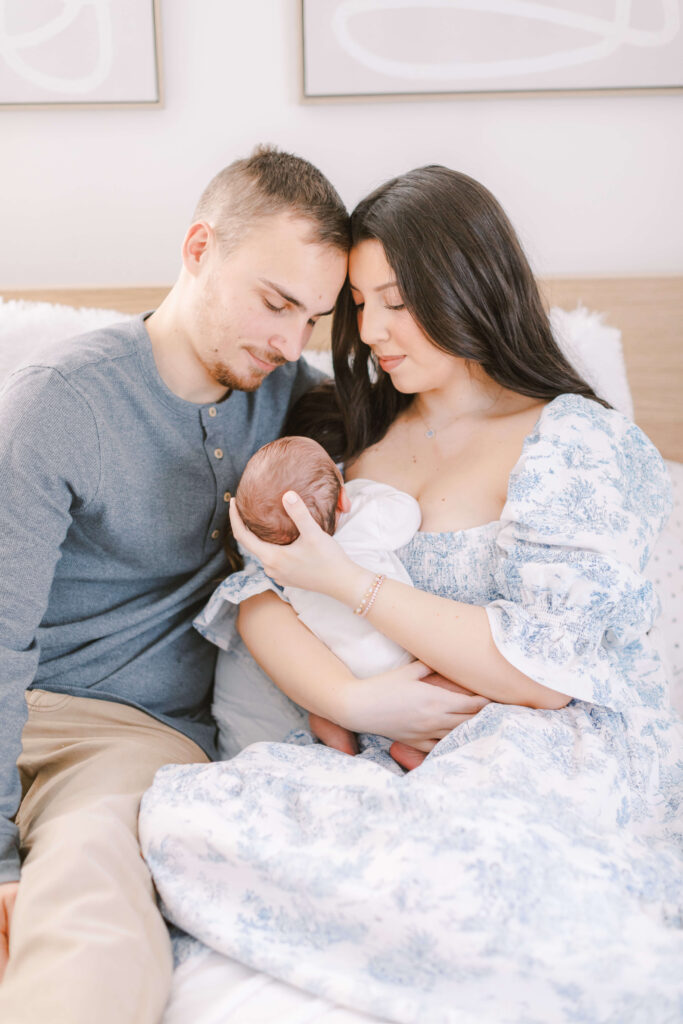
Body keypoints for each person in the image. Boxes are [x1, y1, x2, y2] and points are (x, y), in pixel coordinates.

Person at [139, 165, 681, 1022]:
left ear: (470, 282)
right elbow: (258, 597)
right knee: (179, 816)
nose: (371, 329)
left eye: (397, 299)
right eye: (357, 303)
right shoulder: (344, 428)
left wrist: (348, 584)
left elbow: (543, 670)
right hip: (372, 751)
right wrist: (358, 699)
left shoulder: (574, 441)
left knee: (486, 860)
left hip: (534, 751)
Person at [0, 144, 350, 1024]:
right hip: (19, 698)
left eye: (312, 318)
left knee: (91, 881)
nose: (288, 342)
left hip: (129, 734)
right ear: (199, 249)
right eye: (275, 303)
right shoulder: (61, 400)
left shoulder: (294, 402)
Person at [195, 434, 425, 681]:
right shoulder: (363, 520)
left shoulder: (280, 565)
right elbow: (408, 512)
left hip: (344, 670)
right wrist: (359, 489)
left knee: (320, 721)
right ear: (341, 499)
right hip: (402, 647)